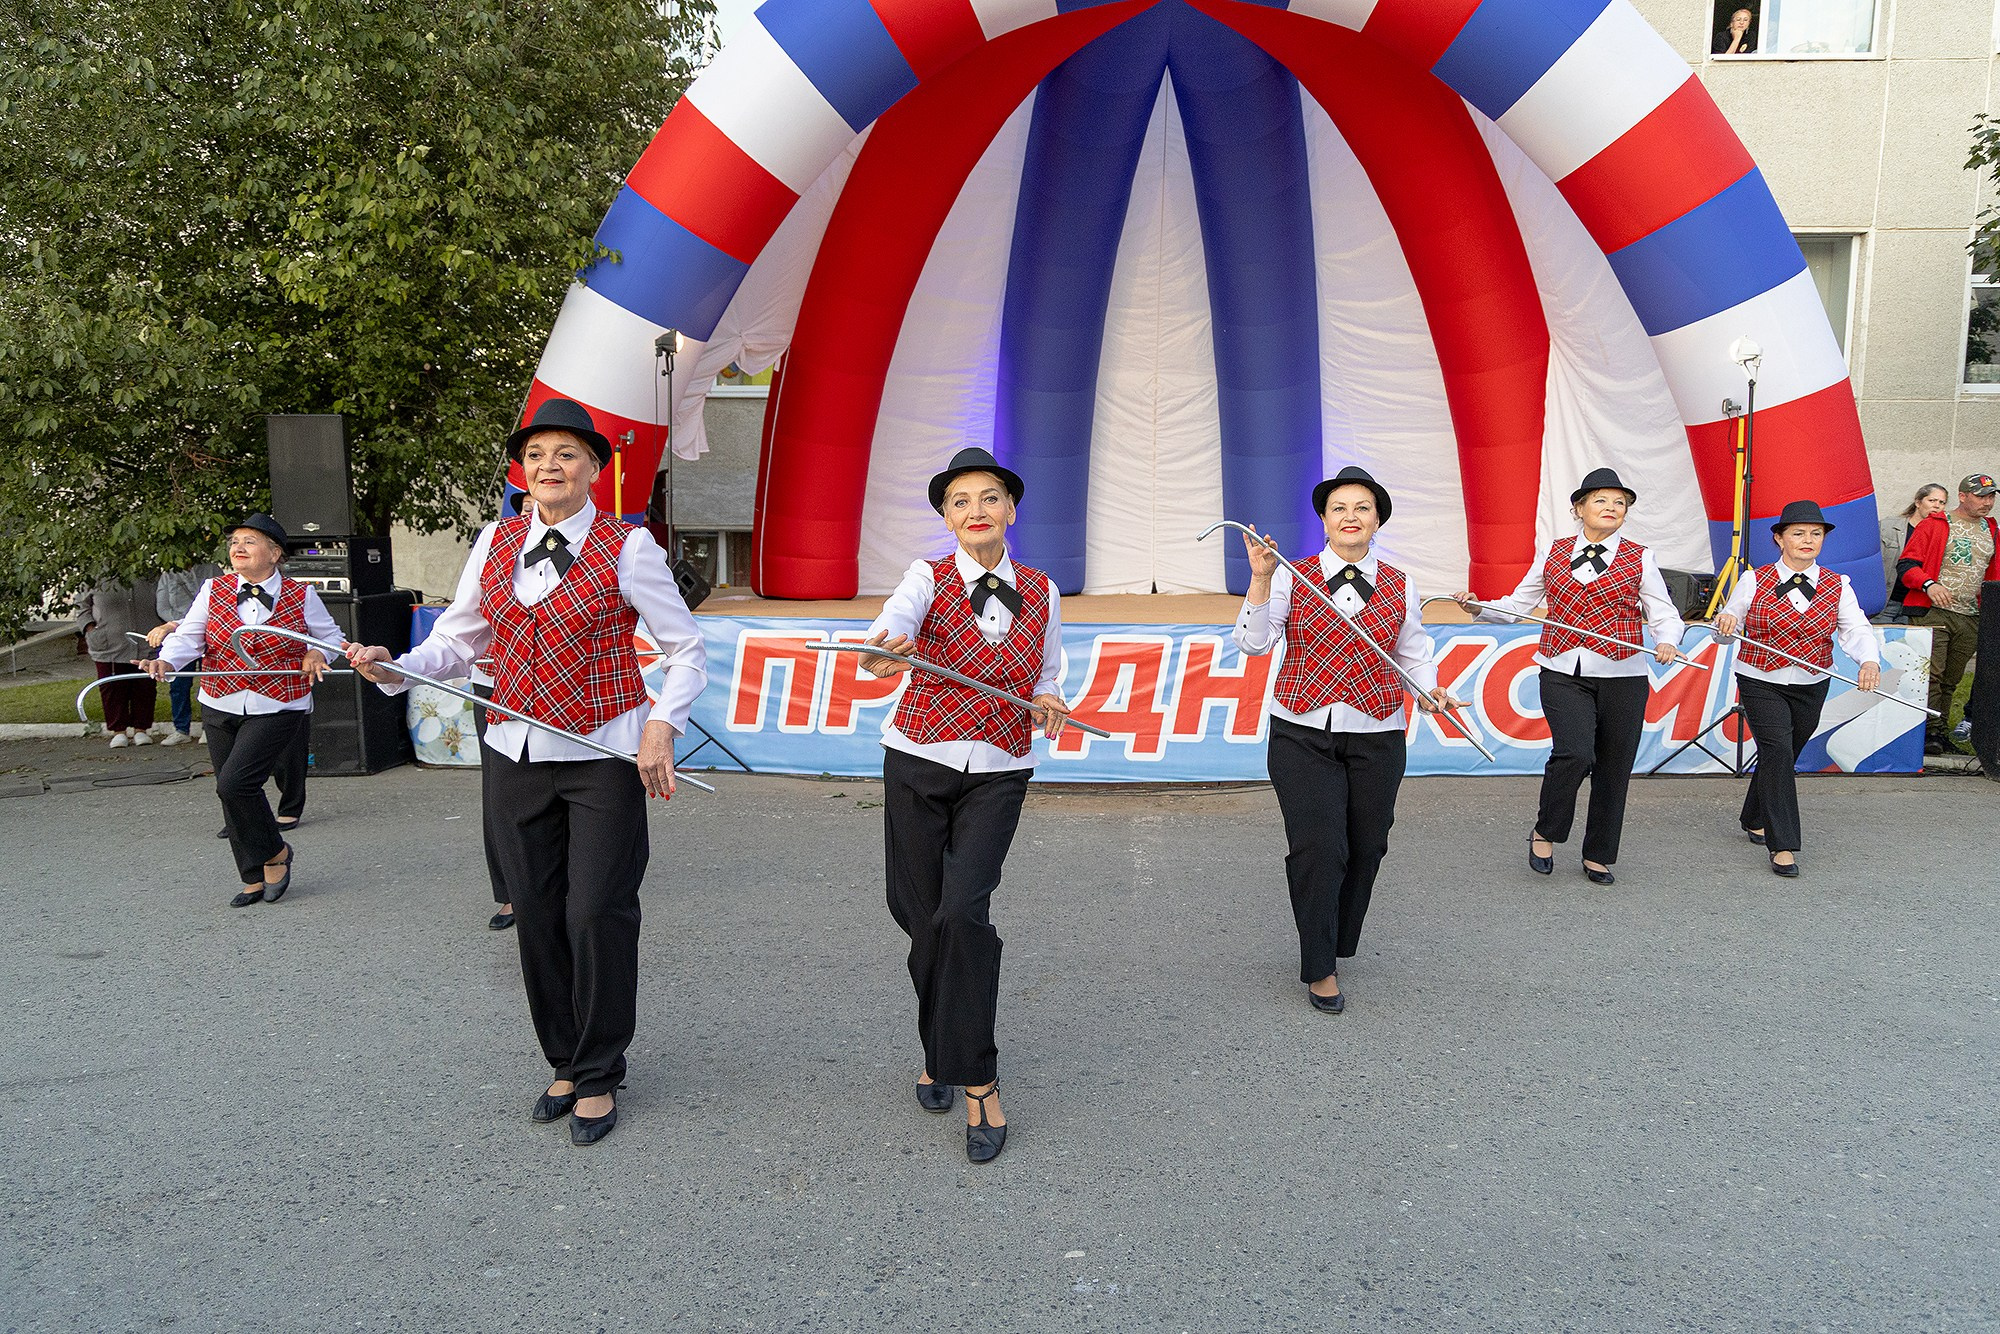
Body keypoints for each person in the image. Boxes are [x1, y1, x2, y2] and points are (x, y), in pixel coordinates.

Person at [347, 397, 706, 1147]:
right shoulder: (495, 540)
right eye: (538, 454)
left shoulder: (628, 547)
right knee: (536, 916)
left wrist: (661, 727)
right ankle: (566, 1061)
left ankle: (602, 1069)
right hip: (514, 753)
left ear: (594, 471)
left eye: (568, 454)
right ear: (524, 470)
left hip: (604, 756)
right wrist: (395, 669)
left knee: (596, 913)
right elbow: (456, 642)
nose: (551, 466)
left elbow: (685, 650)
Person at [857, 446, 1071, 1163]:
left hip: (1001, 770)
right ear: (946, 517)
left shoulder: (1042, 589)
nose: (975, 511)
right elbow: (894, 626)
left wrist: (1048, 700)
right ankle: (939, 1043)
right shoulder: (927, 577)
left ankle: (977, 1077)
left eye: (988, 499)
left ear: (1010, 510)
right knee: (919, 917)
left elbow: (1047, 672)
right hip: (918, 759)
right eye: (960, 502)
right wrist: (883, 650)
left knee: (962, 915)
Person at [1234, 466, 1462, 1015]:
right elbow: (1252, 644)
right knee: (1319, 846)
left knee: (1368, 844)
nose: (1350, 517)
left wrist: (1431, 690)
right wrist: (1261, 581)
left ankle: (1334, 935)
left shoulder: (1402, 583)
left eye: (1362, 508)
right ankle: (1320, 964)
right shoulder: (1292, 574)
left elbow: (1413, 654)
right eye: (1339, 508)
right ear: (1324, 520)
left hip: (1378, 734)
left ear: (1377, 519)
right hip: (1301, 731)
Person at [1453, 467, 1685, 886]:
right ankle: (1546, 830)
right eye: (1600, 500)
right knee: (1575, 753)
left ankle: (1598, 854)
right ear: (1579, 509)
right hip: (1561, 669)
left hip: (1623, 672)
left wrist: (1668, 639)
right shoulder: (1554, 552)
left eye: (1619, 502)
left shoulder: (1641, 556)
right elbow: (1519, 603)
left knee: (1614, 767)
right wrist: (1478, 608)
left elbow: (1663, 611)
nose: (1611, 507)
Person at [144, 516, 339, 906]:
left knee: (234, 783)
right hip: (220, 701)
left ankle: (276, 854)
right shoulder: (212, 589)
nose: (239, 547)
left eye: (250, 541)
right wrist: (167, 660)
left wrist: (318, 651)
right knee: (230, 795)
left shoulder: (302, 595)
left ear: (275, 554)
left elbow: (331, 637)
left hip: (279, 703)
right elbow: (189, 637)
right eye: (235, 541)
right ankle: (252, 875)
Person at [1715, 501, 1882, 877]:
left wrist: (1868, 661)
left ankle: (1754, 815)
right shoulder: (1753, 580)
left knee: (1786, 752)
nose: (1808, 540)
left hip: (1811, 682)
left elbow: (1854, 628)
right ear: (1779, 538)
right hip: (1760, 679)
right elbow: (1727, 628)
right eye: (1798, 533)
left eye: (1815, 534)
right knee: (1776, 749)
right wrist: (1725, 621)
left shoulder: (1837, 584)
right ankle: (1784, 844)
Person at [1895, 473, 2000, 753]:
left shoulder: (1990, 528)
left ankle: (1941, 733)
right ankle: (1930, 734)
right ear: (1963, 496)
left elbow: (1994, 573)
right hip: (1933, 611)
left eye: (1991, 497)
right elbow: (1906, 565)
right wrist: (1928, 584)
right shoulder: (1936, 524)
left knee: (1953, 679)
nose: (1987, 502)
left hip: (1971, 614)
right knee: (1932, 676)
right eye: (1980, 496)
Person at [77, 575, 161, 748]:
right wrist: (89, 629)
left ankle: (141, 729)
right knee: (112, 688)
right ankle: (118, 730)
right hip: (108, 642)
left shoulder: (148, 572)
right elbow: (81, 606)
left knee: (144, 686)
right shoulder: (93, 574)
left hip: (144, 640)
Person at [151, 561, 222, 746]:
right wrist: (177, 624)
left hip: (211, 634)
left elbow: (221, 603)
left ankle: (210, 728)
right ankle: (181, 729)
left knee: (211, 681)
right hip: (181, 633)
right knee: (179, 685)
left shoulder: (211, 569)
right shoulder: (168, 574)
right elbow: (162, 606)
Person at [1877, 483, 1948, 620]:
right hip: (1885, 602)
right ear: (1918, 502)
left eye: (1942, 502)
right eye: (1932, 500)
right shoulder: (1888, 527)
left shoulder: (1942, 535)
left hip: (1913, 605)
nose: (1937, 506)